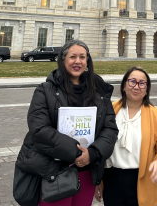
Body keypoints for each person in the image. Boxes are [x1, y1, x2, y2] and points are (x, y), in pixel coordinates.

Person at [15, 39, 118, 206]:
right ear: (63, 60)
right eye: (73, 56)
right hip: (54, 171)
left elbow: (110, 129)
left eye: (82, 57)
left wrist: (92, 154)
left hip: (86, 169)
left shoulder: (99, 92)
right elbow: (39, 129)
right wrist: (77, 153)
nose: (78, 61)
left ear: (87, 61)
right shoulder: (45, 90)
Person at [95, 66, 157, 206]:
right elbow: (99, 146)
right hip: (111, 179)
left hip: (143, 179)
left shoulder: (156, 114)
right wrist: (97, 181)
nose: (137, 86)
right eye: (132, 81)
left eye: (142, 83)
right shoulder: (110, 110)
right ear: (124, 85)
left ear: (147, 89)